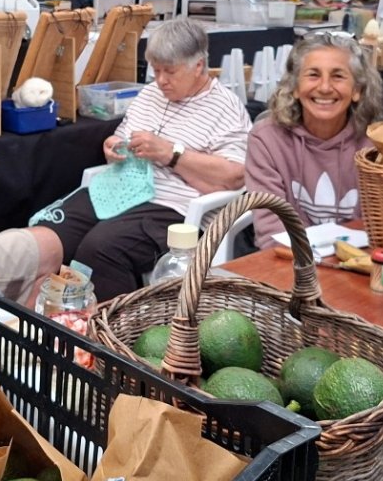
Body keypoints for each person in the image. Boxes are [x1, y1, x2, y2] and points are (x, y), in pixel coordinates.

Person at [29, 19, 250, 296]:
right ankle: (37, 319)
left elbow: (233, 176)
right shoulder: (151, 94)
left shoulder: (226, 108)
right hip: (123, 188)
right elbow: (122, 136)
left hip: (175, 206)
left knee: (101, 248)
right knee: (51, 230)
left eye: (170, 72)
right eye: (156, 70)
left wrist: (171, 154)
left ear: (198, 65)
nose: (161, 81)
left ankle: (109, 330)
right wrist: (113, 147)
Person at [244, 32, 383, 250]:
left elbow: (382, 230)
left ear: (357, 90)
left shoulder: (378, 145)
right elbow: (271, 228)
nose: (325, 87)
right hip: (290, 263)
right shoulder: (266, 140)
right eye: (313, 75)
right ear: (295, 87)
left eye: (338, 76)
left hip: (359, 264)